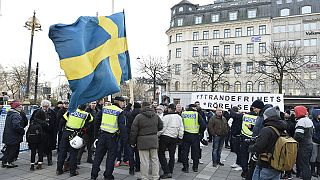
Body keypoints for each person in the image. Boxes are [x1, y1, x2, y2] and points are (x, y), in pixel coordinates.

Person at [91, 97, 127, 180]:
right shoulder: (120, 111)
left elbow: (96, 120)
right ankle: (108, 176)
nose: (123, 104)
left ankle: (93, 175)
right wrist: (125, 140)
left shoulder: (104, 108)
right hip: (112, 138)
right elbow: (122, 127)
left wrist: (96, 135)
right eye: (123, 102)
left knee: (98, 156)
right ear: (119, 102)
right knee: (111, 158)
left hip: (102, 136)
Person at [250, 106, 287, 180]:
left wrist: (250, 147)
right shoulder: (282, 129)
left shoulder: (267, 130)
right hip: (277, 163)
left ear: (267, 116)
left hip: (266, 163)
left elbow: (259, 147)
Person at [129, 101, 163, 180]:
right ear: (150, 106)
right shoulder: (156, 116)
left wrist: (132, 142)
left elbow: (134, 131)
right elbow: (161, 126)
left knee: (144, 161)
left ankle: (144, 177)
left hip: (142, 141)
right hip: (154, 140)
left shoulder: (139, 117)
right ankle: (155, 177)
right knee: (154, 159)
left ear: (142, 107)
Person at [56, 104, 93, 177]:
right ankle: (72, 171)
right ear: (85, 107)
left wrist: (60, 130)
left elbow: (62, 120)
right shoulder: (86, 114)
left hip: (66, 133)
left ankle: (59, 170)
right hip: (76, 134)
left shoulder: (71, 111)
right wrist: (85, 128)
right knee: (74, 153)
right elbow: (92, 121)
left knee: (62, 152)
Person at [158, 104, 184, 179]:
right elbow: (181, 128)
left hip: (165, 137)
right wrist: (180, 137)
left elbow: (162, 128)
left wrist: (158, 134)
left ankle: (166, 171)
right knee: (172, 155)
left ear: (169, 109)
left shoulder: (166, 117)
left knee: (161, 153)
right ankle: (170, 170)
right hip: (174, 138)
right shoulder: (179, 117)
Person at [240, 100, 264, 179]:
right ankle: (248, 173)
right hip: (253, 139)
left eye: (255, 108)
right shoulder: (259, 117)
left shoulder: (246, 116)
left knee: (248, 157)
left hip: (249, 138)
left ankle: (246, 172)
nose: (254, 110)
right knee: (252, 159)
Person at [181, 104, 206, 173]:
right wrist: (200, 132)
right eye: (195, 107)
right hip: (195, 135)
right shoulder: (196, 114)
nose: (196, 108)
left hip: (185, 135)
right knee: (195, 152)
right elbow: (203, 125)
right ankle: (195, 167)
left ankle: (185, 167)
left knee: (185, 152)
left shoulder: (183, 113)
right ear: (193, 108)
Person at [30, 100, 57, 166]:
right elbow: (32, 121)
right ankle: (40, 160)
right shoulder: (36, 111)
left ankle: (49, 160)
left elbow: (55, 123)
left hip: (48, 133)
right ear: (41, 106)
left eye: (46, 106)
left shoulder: (52, 112)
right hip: (39, 133)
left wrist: (54, 132)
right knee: (39, 148)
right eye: (44, 106)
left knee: (49, 147)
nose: (45, 108)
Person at [1, 101, 24, 168]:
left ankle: (4, 162)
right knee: (12, 150)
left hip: (8, 135)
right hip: (14, 136)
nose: (21, 108)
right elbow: (16, 126)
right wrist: (22, 130)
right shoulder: (16, 115)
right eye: (19, 107)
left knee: (7, 149)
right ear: (15, 108)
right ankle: (9, 162)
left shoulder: (10, 114)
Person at [294, 106, 313, 180]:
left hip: (303, 146)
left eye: (295, 112)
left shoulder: (301, 121)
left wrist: (293, 139)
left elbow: (298, 135)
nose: (294, 113)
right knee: (306, 164)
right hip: (309, 144)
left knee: (304, 165)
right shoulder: (309, 120)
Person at [229, 106, 243, 171]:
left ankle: (240, 164)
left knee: (239, 151)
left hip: (238, 135)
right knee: (237, 150)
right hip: (236, 134)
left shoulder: (238, 116)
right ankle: (238, 163)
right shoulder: (238, 116)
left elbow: (233, 115)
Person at [129, 102, 141, 172]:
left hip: (131, 134)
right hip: (139, 135)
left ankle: (131, 168)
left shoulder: (131, 113)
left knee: (131, 153)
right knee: (138, 153)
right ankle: (138, 167)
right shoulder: (141, 114)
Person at [311, 108, 320, 177]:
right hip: (314, 141)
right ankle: (313, 171)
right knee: (314, 156)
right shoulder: (312, 121)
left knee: (319, 157)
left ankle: (318, 170)